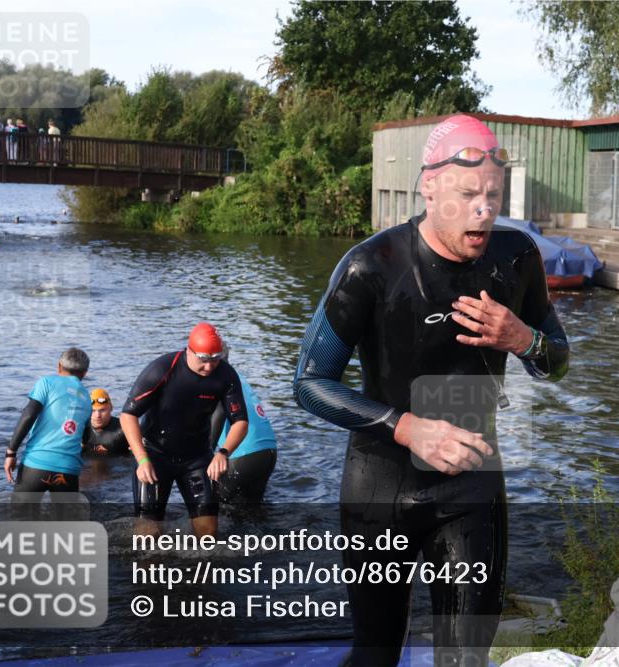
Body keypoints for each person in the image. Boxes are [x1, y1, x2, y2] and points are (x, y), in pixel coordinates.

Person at [293, 114, 569, 666]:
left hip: (472, 487)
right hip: (380, 486)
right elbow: (309, 383)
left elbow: (556, 363)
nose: (484, 210)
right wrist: (407, 427)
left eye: (493, 195)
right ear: (430, 187)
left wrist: (523, 339)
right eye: (468, 194)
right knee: (376, 656)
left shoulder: (517, 258)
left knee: (466, 659)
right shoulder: (371, 266)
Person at [120, 323, 248, 538]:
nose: (209, 367)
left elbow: (240, 421)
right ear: (189, 351)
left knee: (208, 535)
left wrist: (223, 452)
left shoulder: (226, 375)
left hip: (197, 458)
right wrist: (141, 459)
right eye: (203, 359)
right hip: (154, 456)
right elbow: (128, 415)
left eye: (215, 359)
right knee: (148, 535)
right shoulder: (163, 369)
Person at [4, 348, 92, 494]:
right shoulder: (87, 397)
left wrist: (11, 452)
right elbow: (86, 436)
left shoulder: (46, 382)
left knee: (22, 510)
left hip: (35, 466)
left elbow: (29, 415)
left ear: (59, 366)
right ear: (84, 373)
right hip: (68, 471)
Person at [208, 347, 277, 503]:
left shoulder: (217, 379)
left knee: (213, 505)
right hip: (269, 451)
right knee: (252, 508)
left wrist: (207, 453)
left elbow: (219, 413)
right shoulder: (237, 377)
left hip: (244, 454)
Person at [82, 388, 129, 457]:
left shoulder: (125, 429)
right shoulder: (81, 429)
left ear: (111, 408)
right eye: (93, 411)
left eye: (102, 410)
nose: (98, 415)